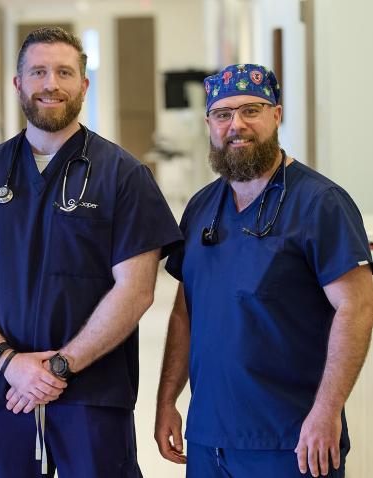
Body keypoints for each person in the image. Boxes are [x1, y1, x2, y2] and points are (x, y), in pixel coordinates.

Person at [0, 26, 182, 477]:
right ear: (19, 84)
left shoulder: (123, 177)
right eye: (38, 72)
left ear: (84, 85)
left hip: (92, 392)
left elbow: (137, 290)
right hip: (1, 388)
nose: (51, 83)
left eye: (64, 72)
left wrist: (59, 368)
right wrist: (9, 363)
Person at [154, 63, 373, 478]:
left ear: (276, 114)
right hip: (209, 438)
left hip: (291, 441)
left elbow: (358, 307)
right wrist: (168, 400)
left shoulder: (320, 203)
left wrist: (327, 412)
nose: (237, 124)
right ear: (209, 123)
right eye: (223, 114)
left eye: (251, 110)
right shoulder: (201, 208)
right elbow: (185, 310)